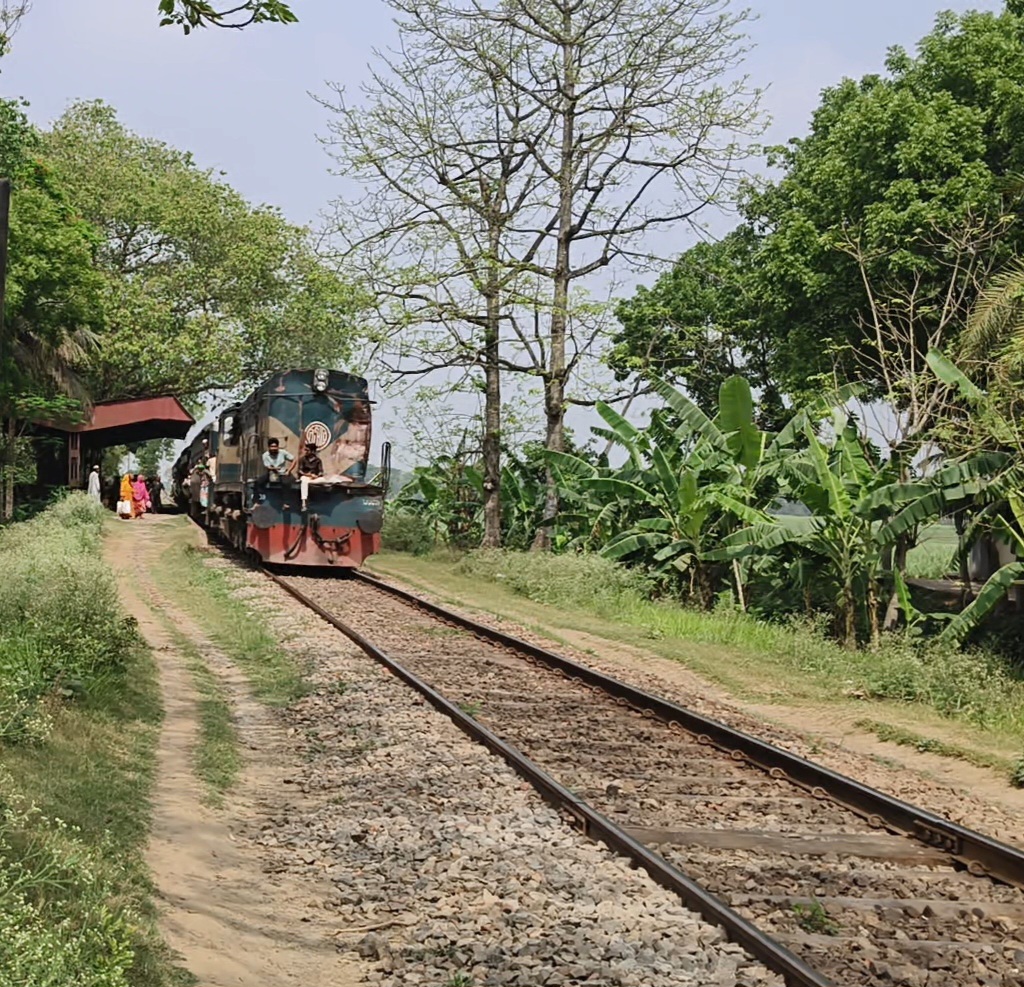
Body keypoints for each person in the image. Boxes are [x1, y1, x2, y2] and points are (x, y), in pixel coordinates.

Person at [295, 441, 323, 510]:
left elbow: (321, 472)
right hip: (306, 477)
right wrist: (307, 474)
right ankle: (304, 503)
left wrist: (317, 476)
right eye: (305, 450)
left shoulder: (318, 460)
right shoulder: (303, 459)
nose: (306, 452)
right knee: (304, 482)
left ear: (312, 451)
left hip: (314, 478)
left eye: (307, 450)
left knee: (325, 481)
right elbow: (299, 470)